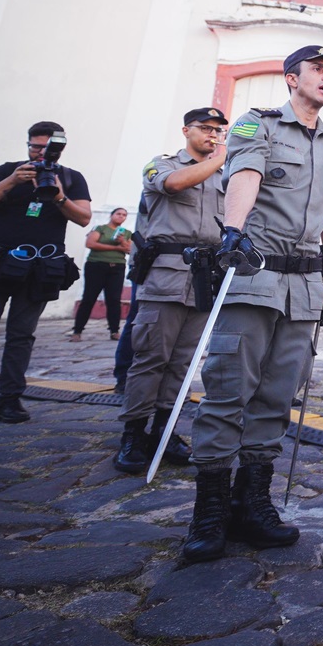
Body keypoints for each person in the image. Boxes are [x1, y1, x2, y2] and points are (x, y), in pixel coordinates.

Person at [182, 46, 323, 564]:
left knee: (278, 397)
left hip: (303, 285)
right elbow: (245, 178)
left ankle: (252, 504)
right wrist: (232, 232)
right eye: (318, 70)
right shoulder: (258, 125)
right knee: (229, 391)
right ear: (290, 78)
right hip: (255, 273)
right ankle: (208, 512)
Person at [112, 107, 228, 474]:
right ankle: (133, 433)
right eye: (206, 129)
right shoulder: (161, 165)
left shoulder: (224, 175)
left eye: (219, 131)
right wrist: (220, 159)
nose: (213, 136)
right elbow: (174, 185)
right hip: (165, 275)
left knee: (182, 362)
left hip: (204, 277)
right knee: (150, 358)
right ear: (186, 130)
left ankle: (164, 430)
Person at [0, 121, 92, 423]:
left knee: (21, 336)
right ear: (27, 145)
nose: (39, 153)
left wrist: (59, 196)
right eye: (34, 146)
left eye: (46, 148)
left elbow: (84, 218)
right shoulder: (6, 170)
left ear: (58, 149)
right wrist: (11, 181)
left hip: (40, 266)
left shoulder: (71, 178)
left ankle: (8, 401)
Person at [72, 207, 132, 341]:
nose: (121, 217)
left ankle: (114, 331)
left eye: (124, 215)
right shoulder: (100, 229)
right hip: (97, 265)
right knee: (89, 297)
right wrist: (116, 248)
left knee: (114, 300)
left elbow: (129, 249)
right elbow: (90, 243)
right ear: (112, 215)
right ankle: (77, 330)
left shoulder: (126, 233)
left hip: (117, 267)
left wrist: (122, 241)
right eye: (118, 214)